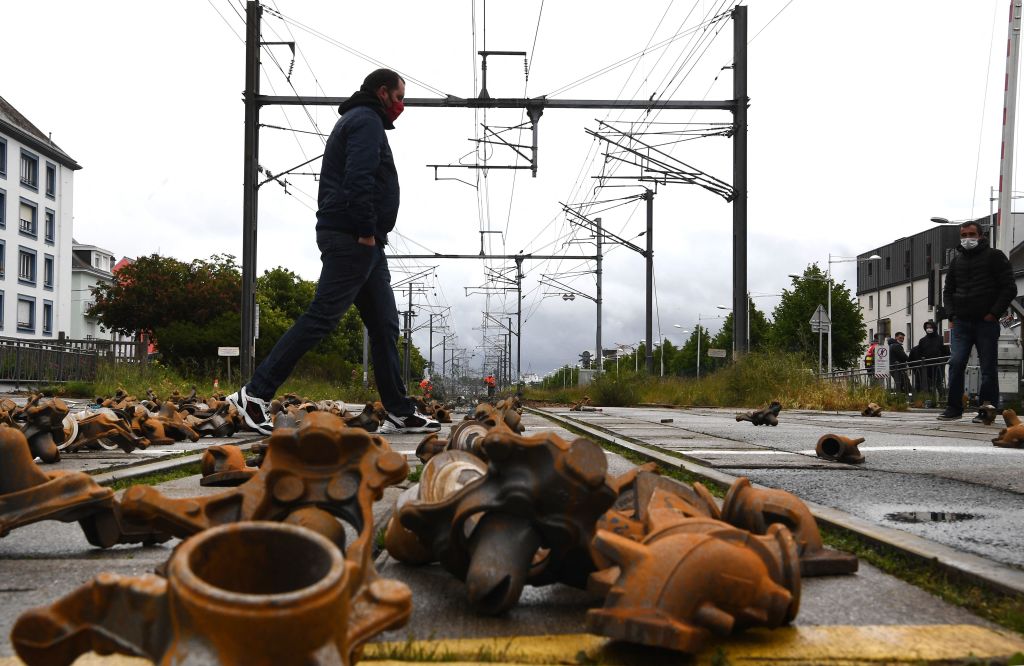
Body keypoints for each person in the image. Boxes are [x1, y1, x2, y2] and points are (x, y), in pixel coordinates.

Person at [227, 69, 440, 436]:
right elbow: (360, 177)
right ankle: (254, 394)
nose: (402, 105)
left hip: (365, 242)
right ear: (383, 92)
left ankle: (399, 410)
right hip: (353, 238)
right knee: (322, 317)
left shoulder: (363, 120)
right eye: (400, 96)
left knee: (386, 324)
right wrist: (364, 230)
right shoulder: (366, 121)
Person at [938, 220, 1017, 422]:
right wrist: (951, 315)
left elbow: (1009, 288)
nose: (967, 239)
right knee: (955, 363)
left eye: (971, 234)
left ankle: (987, 408)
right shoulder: (957, 262)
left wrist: (993, 313)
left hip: (986, 322)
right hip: (961, 323)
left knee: (988, 367)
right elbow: (948, 291)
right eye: (963, 235)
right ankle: (954, 407)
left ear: (981, 236)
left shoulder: (995, 257)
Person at [910, 320, 948, 395]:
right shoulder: (922, 340)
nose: (929, 329)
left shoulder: (941, 339)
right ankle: (930, 400)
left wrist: (942, 362)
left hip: (938, 366)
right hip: (926, 368)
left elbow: (946, 353)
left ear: (934, 328)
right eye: (927, 327)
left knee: (939, 384)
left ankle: (942, 399)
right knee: (928, 385)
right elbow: (919, 354)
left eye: (930, 327)